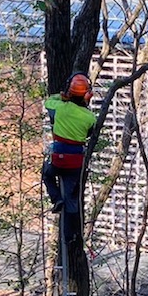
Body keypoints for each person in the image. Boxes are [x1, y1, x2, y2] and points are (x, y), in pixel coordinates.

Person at [42, 72, 96, 239]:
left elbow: (48, 102)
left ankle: (56, 198)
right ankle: (70, 235)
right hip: (76, 163)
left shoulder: (59, 108)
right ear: (88, 95)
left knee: (47, 173)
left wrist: (62, 95)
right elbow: (88, 134)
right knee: (72, 198)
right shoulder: (90, 117)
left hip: (58, 159)